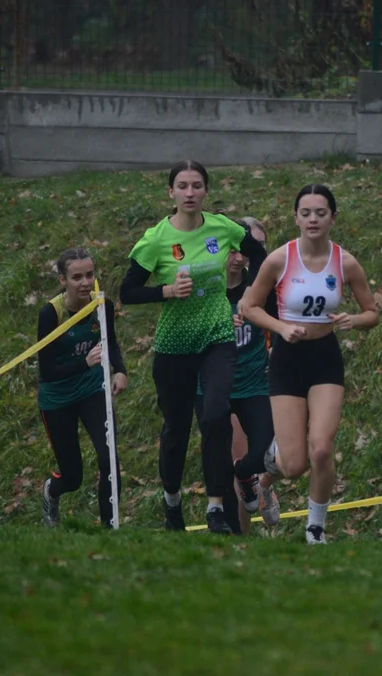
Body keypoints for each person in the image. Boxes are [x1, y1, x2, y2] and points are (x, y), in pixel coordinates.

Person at [119, 160, 267, 535]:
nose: (189, 193)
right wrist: (166, 291)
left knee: (215, 415)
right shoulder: (156, 238)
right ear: (170, 192)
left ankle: (216, 504)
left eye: (196, 186)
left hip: (217, 338)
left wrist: (251, 291)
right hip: (173, 347)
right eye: (182, 186)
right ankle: (172, 501)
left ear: (206, 192)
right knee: (176, 431)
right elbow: (128, 291)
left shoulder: (222, 227)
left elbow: (262, 255)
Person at [239, 184, 380, 544]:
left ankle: (315, 528)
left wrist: (353, 320)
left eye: (320, 213)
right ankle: (268, 475)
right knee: (295, 464)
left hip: (324, 358)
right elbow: (249, 307)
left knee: (321, 448)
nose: (313, 219)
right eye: (306, 213)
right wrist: (282, 327)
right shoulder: (279, 259)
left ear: (333, 217)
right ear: (296, 218)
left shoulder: (344, 261)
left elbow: (372, 313)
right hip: (287, 359)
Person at [196, 217, 280, 534]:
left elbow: (281, 324)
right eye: (238, 246)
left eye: (255, 247)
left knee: (273, 454)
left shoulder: (264, 288)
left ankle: (265, 486)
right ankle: (241, 536)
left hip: (258, 381)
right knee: (234, 460)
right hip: (219, 384)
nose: (243, 254)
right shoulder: (207, 285)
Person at [38, 248, 128, 529]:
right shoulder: (51, 313)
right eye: (76, 277)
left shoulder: (103, 305)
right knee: (72, 477)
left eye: (89, 275)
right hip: (58, 399)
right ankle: (52, 491)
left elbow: (109, 340)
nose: (85, 283)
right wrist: (84, 362)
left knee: (109, 460)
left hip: (92, 392)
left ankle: (108, 528)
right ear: (63, 280)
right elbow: (48, 370)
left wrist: (120, 370)